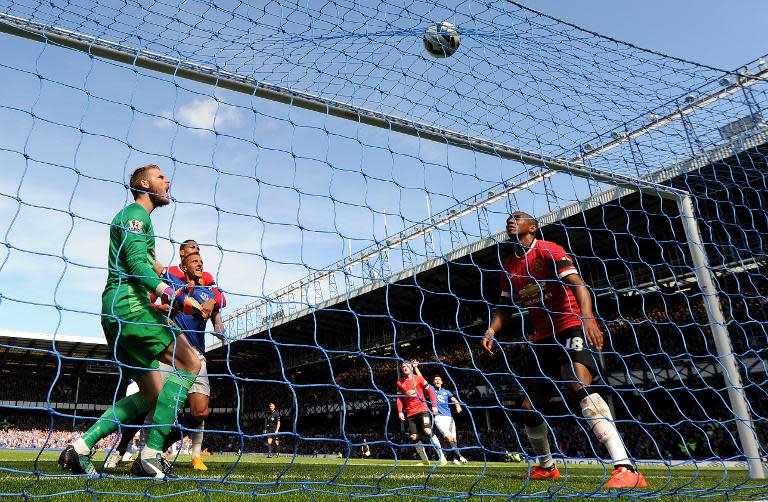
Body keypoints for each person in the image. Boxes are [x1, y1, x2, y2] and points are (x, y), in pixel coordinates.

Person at [481, 212, 647, 489]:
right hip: (542, 338)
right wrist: (491, 330)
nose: (512, 220)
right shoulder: (509, 266)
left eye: (518, 217)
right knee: (528, 407)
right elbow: (505, 307)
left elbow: (578, 285)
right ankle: (547, 467)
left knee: (577, 383)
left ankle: (626, 467)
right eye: (509, 218)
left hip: (569, 326)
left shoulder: (549, 250)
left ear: (532, 228)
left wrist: (588, 318)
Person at [59, 165, 202, 479]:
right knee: (190, 363)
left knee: (151, 392)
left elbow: (142, 262)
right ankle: (150, 456)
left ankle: (80, 448)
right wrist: (175, 295)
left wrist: (163, 283)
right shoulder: (136, 215)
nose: (168, 181)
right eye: (161, 176)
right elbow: (137, 264)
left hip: (116, 312)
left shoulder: (135, 221)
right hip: (129, 307)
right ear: (144, 183)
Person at [107, 252, 226, 471]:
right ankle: (121, 449)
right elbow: (148, 297)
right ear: (183, 263)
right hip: (170, 351)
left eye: (201, 258)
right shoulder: (172, 281)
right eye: (194, 257)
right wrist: (160, 309)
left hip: (197, 355)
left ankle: (162, 449)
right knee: (149, 400)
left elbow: (221, 302)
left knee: (200, 412)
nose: (199, 261)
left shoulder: (209, 290)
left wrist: (217, 319)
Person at [396, 361, 447, 466]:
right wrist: (400, 411)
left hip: (422, 409)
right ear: (402, 369)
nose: (405, 368)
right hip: (410, 413)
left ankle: (442, 457)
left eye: (407, 366)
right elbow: (399, 398)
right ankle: (425, 461)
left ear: (411, 367)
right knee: (413, 437)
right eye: (403, 366)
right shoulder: (399, 382)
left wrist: (434, 405)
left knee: (427, 430)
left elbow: (430, 391)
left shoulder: (418, 379)